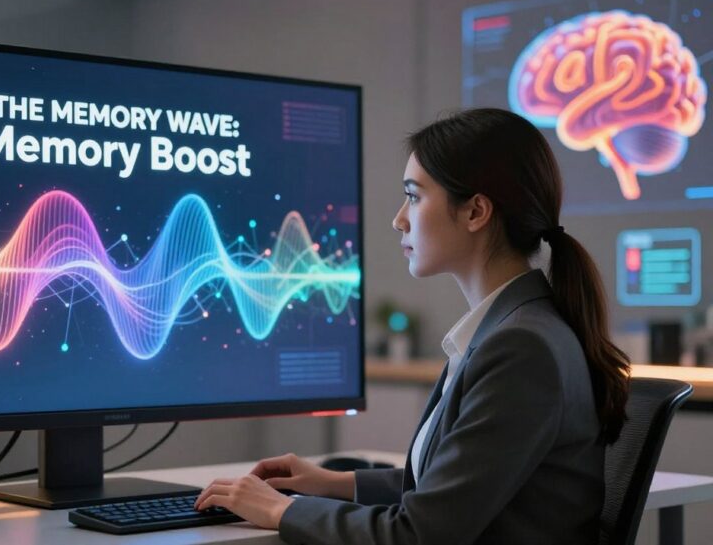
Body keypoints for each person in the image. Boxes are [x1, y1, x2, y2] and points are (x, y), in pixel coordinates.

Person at [194, 107, 631, 544]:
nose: (399, 218)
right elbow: (452, 488)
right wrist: (332, 482)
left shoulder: (520, 348)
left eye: (415, 196)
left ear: (476, 211)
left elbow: (418, 534)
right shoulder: (511, 330)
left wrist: (281, 509)